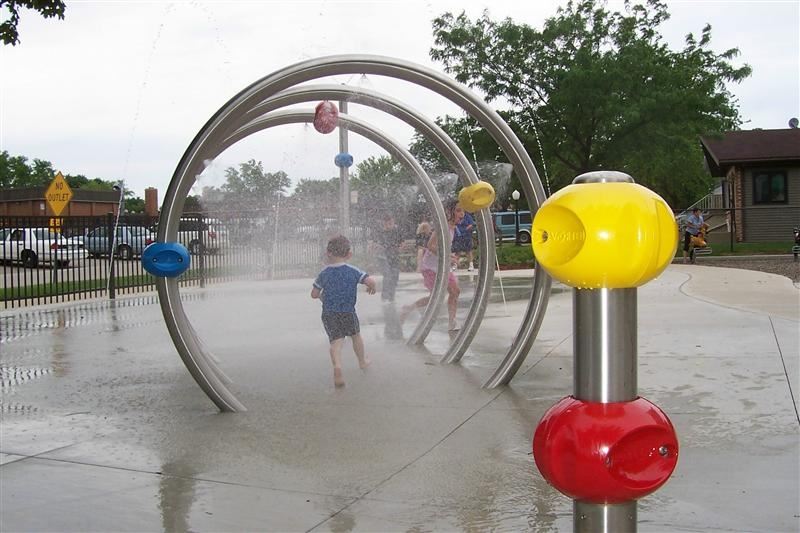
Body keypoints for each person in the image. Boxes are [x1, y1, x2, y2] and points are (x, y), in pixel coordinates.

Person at [311, 235, 377, 387]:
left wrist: (323, 298)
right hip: (348, 311)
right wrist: (371, 287)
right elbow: (371, 280)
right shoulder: (352, 271)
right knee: (355, 336)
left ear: (328, 253)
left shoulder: (324, 273)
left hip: (329, 313)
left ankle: (337, 367)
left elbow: (314, 294)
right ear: (349, 254)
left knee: (336, 342)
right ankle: (362, 361)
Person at [401, 200, 463, 331]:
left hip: (442, 266)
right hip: (430, 267)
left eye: (463, 211)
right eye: (458, 210)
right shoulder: (444, 226)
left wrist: (450, 256)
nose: (462, 214)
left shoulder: (453, 227)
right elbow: (430, 245)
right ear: (449, 212)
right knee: (435, 298)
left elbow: (443, 247)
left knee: (455, 291)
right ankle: (408, 308)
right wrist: (447, 256)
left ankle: (452, 322)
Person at [374, 213, 404, 303]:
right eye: (387, 223)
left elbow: (402, 242)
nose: (389, 225)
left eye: (390, 223)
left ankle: (391, 295)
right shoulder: (381, 232)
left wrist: (399, 249)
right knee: (387, 275)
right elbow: (377, 244)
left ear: (393, 221)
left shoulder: (397, 231)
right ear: (384, 223)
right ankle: (385, 296)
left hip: (394, 256)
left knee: (395, 275)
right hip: (383, 257)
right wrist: (380, 247)